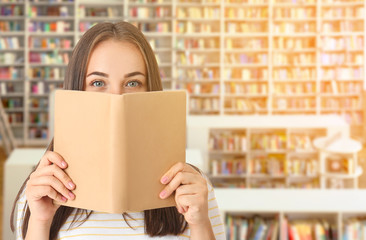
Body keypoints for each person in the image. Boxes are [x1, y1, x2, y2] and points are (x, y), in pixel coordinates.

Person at [11, 21, 225, 240]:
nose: (116, 97)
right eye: (97, 82)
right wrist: (40, 221)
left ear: (150, 91)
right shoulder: (41, 188)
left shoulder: (191, 186)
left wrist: (199, 224)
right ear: (77, 89)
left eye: (132, 83)